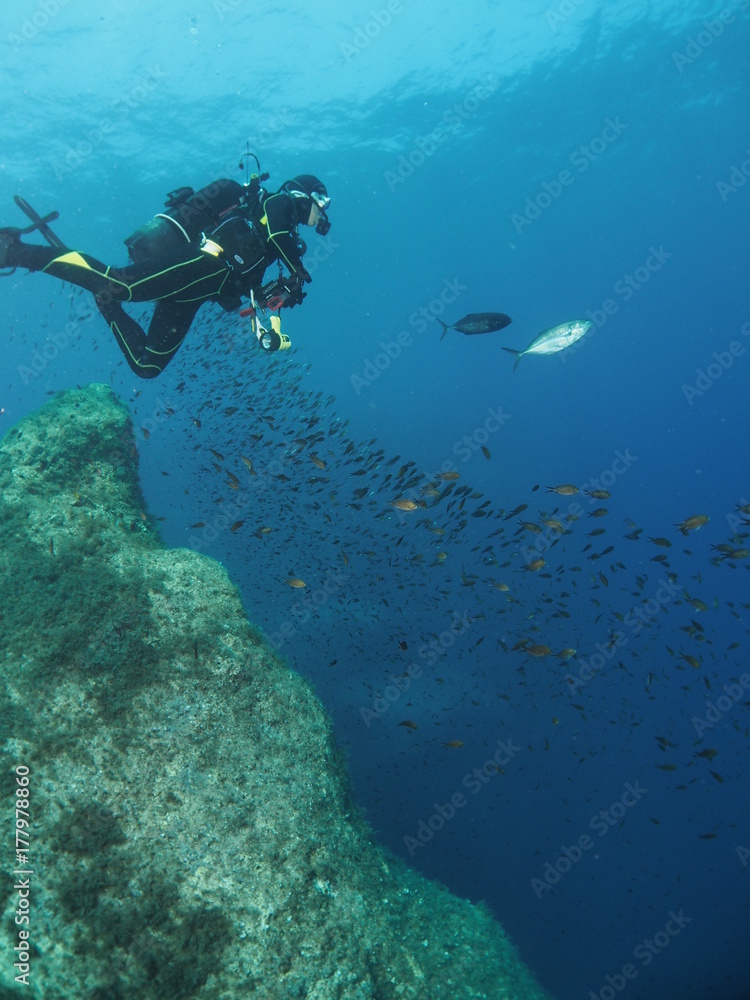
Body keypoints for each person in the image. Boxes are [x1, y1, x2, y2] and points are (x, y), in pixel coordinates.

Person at [0, 173, 331, 378]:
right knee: (119, 284)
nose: (323, 214)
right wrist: (298, 272)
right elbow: (276, 236)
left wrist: (277, 294)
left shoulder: (280, 235)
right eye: (322, 202)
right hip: (203, 264)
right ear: (306, 193)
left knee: (148, 366)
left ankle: (109, 307)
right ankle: (15, 250)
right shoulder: (280, 202)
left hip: (197, 293)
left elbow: (252, 282)